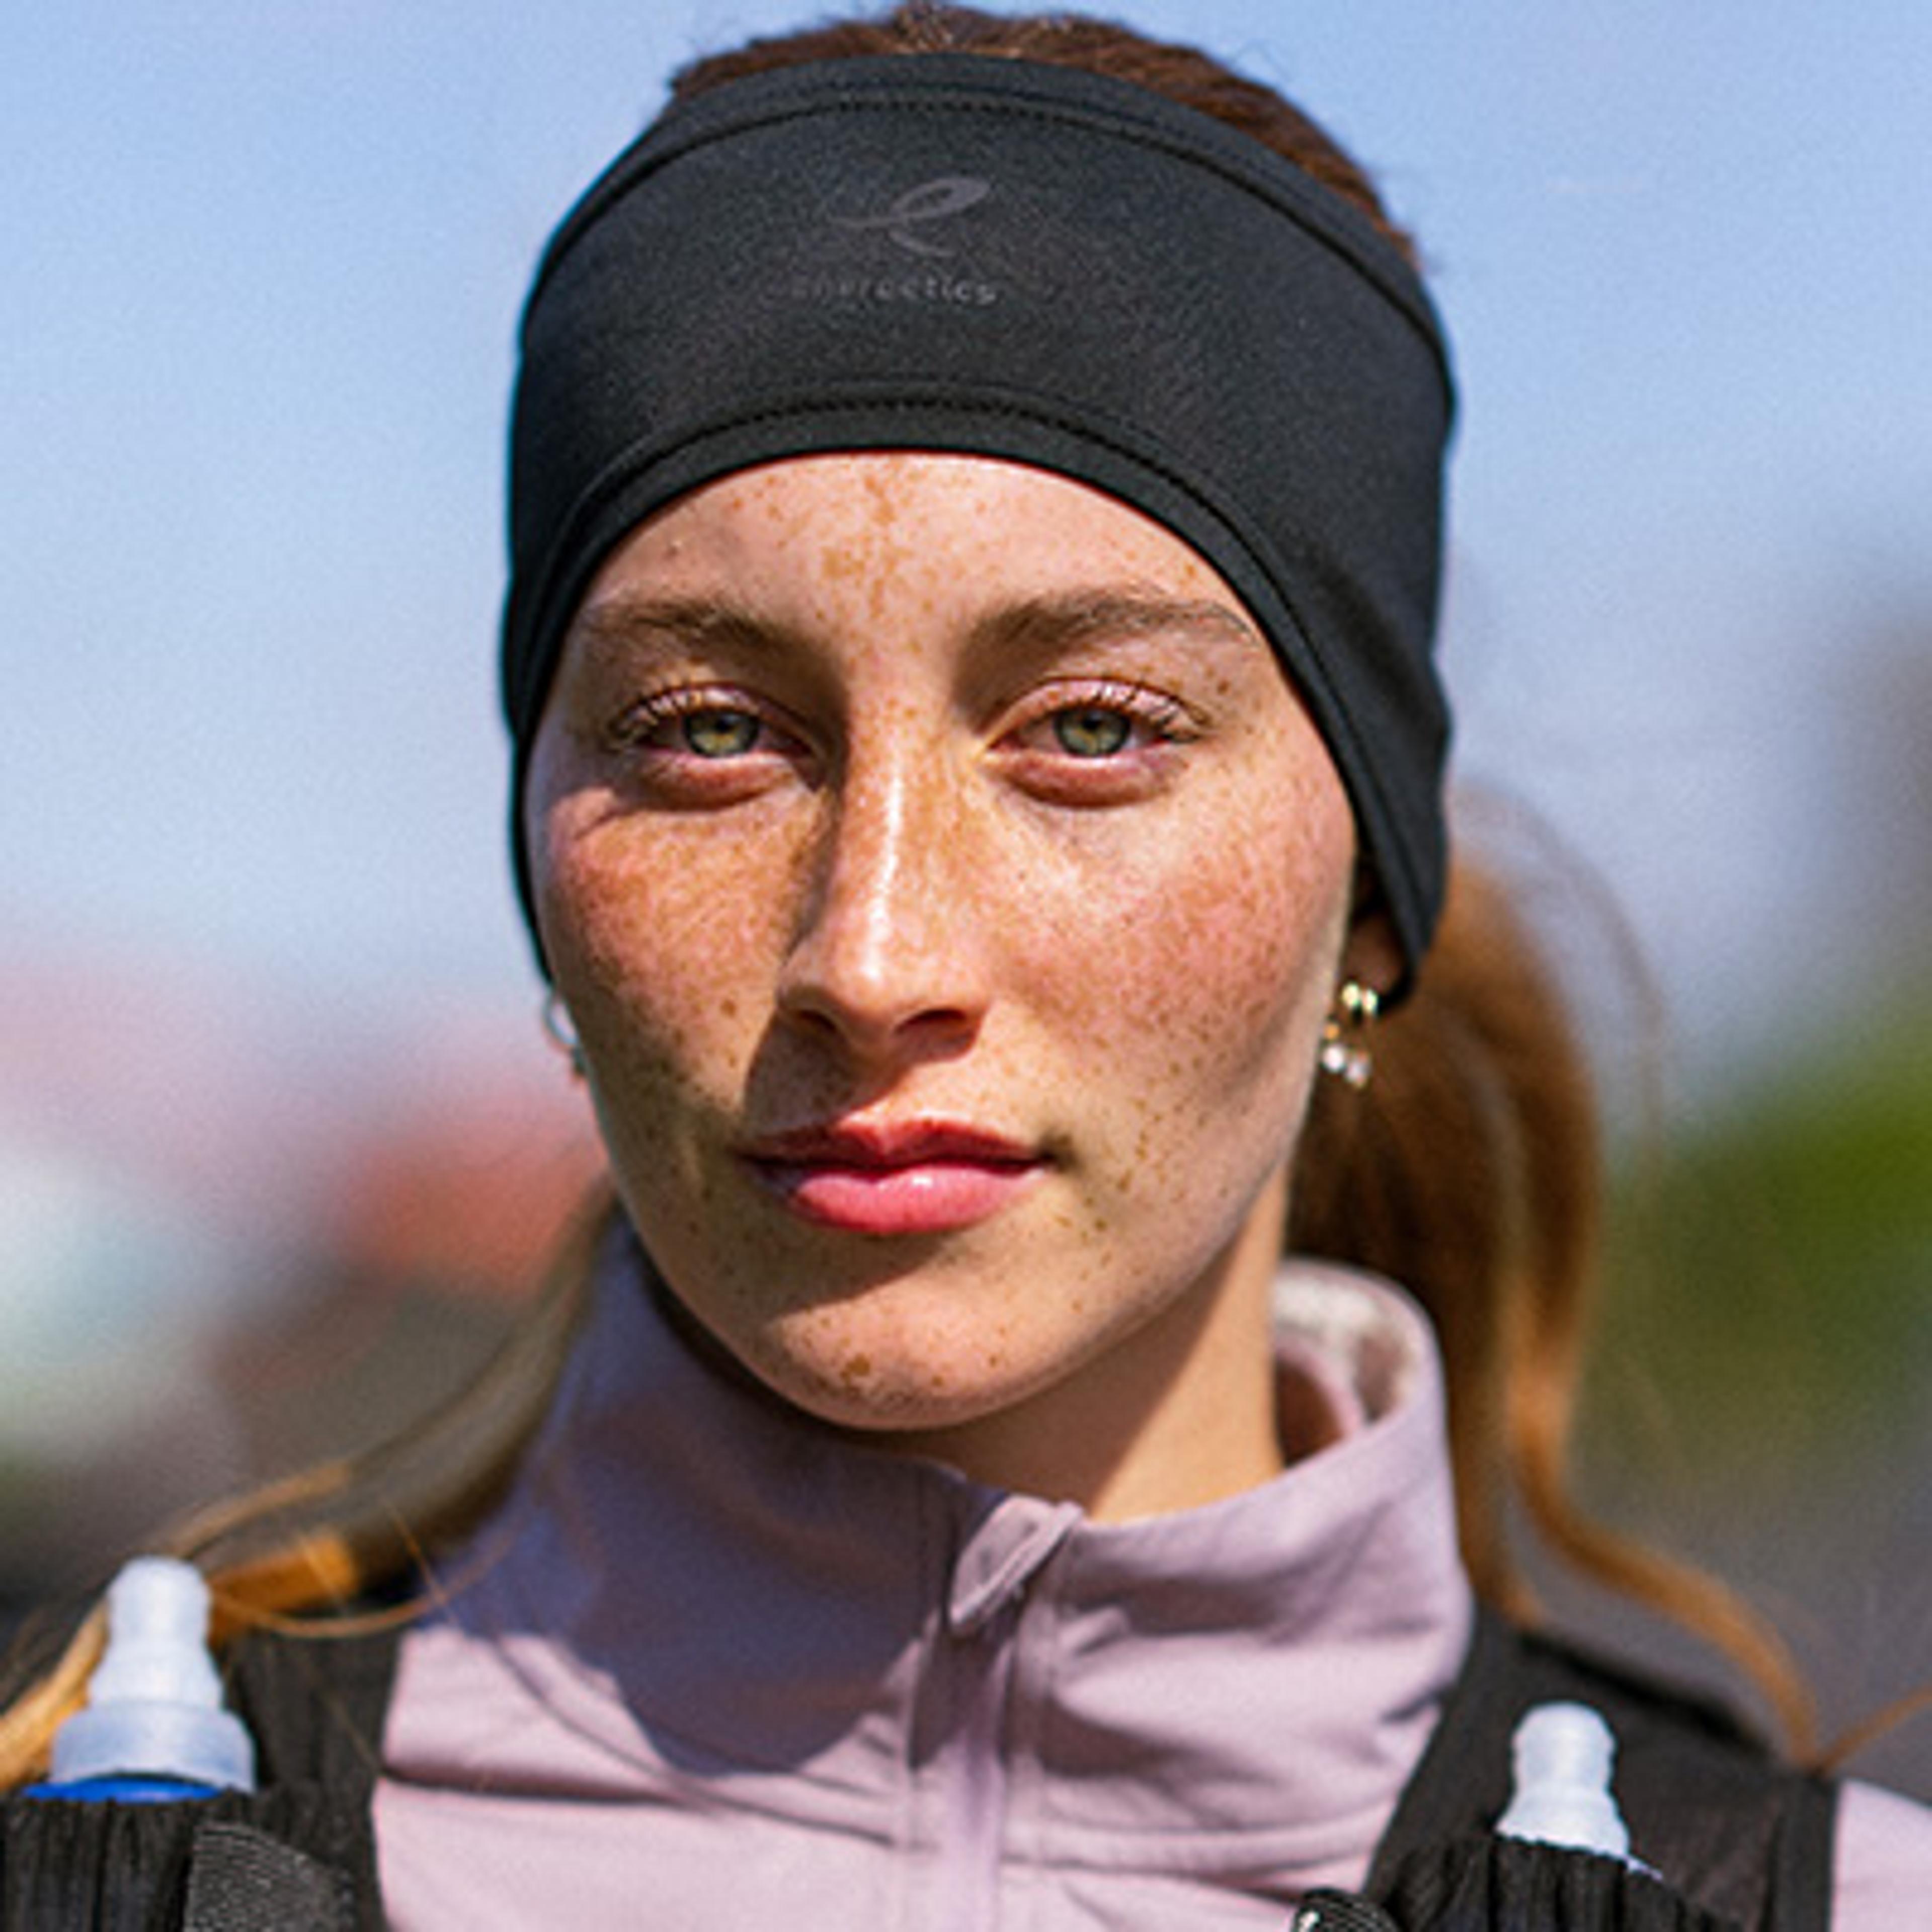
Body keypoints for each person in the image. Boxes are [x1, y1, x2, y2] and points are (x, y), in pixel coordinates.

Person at [2, 5, 1928, 1926]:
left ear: (1370, 883)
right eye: (705, 731)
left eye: (1092, 729)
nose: (873, 950)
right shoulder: (84, 1853)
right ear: (536, 852)